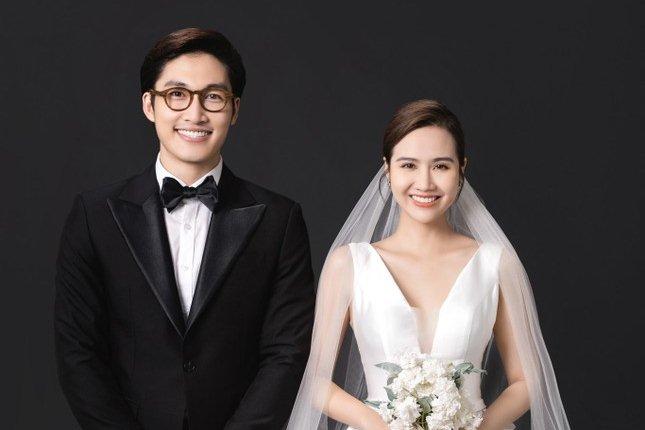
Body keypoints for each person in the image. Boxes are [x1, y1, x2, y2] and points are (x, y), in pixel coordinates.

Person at [54, 27, 315, 430]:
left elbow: (287, 353)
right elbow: (78, 352)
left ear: (235, 109)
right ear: (149, 105)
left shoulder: (279, 220)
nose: (195, 114)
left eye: (213, 97)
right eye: (177, 94)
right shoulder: (94, 214)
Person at [286, 100, 570, 429]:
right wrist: (380, 425)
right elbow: (315, 381)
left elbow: (527, 381)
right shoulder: (348, 265)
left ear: (461, 169)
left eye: (441, 166)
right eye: (408, 165)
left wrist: (473, 427)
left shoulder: (495, 265)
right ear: (387, 169)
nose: (424, 183)